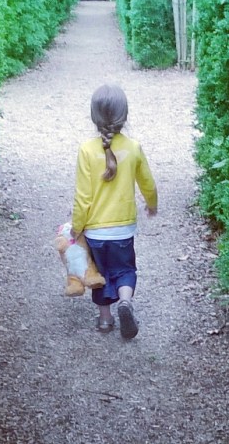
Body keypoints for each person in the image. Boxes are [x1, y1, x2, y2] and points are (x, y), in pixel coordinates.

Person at [71, 84, 158, 339]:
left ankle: (105, 319)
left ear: (94, 116)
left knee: (99, 274)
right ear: (125, 115)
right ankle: (125, 302)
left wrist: (77, 227)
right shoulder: (133, 147)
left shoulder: (87, 150)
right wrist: (152, 204)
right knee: (125, 269)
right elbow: (148, 183)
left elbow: (83, 196)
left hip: (96, 231)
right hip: (123, 228)